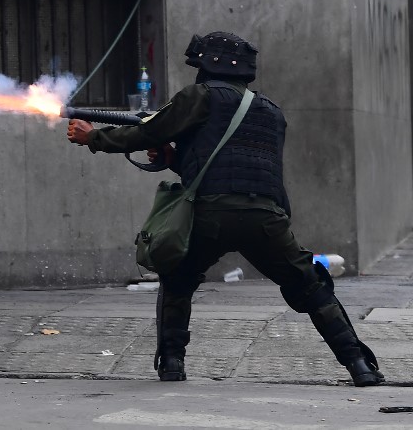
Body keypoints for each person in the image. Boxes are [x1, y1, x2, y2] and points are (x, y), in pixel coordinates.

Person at [66, 32, 384, 387]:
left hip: (209, 215)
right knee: (311, 287)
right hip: (266, 217)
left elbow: (146, 133)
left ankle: (172, 364)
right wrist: (176, 159)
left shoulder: (197, 97)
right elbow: (236, 163)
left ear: (208, 64)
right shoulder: (271, 112)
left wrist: (92, 137)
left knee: (177, 279)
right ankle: (360, 365)